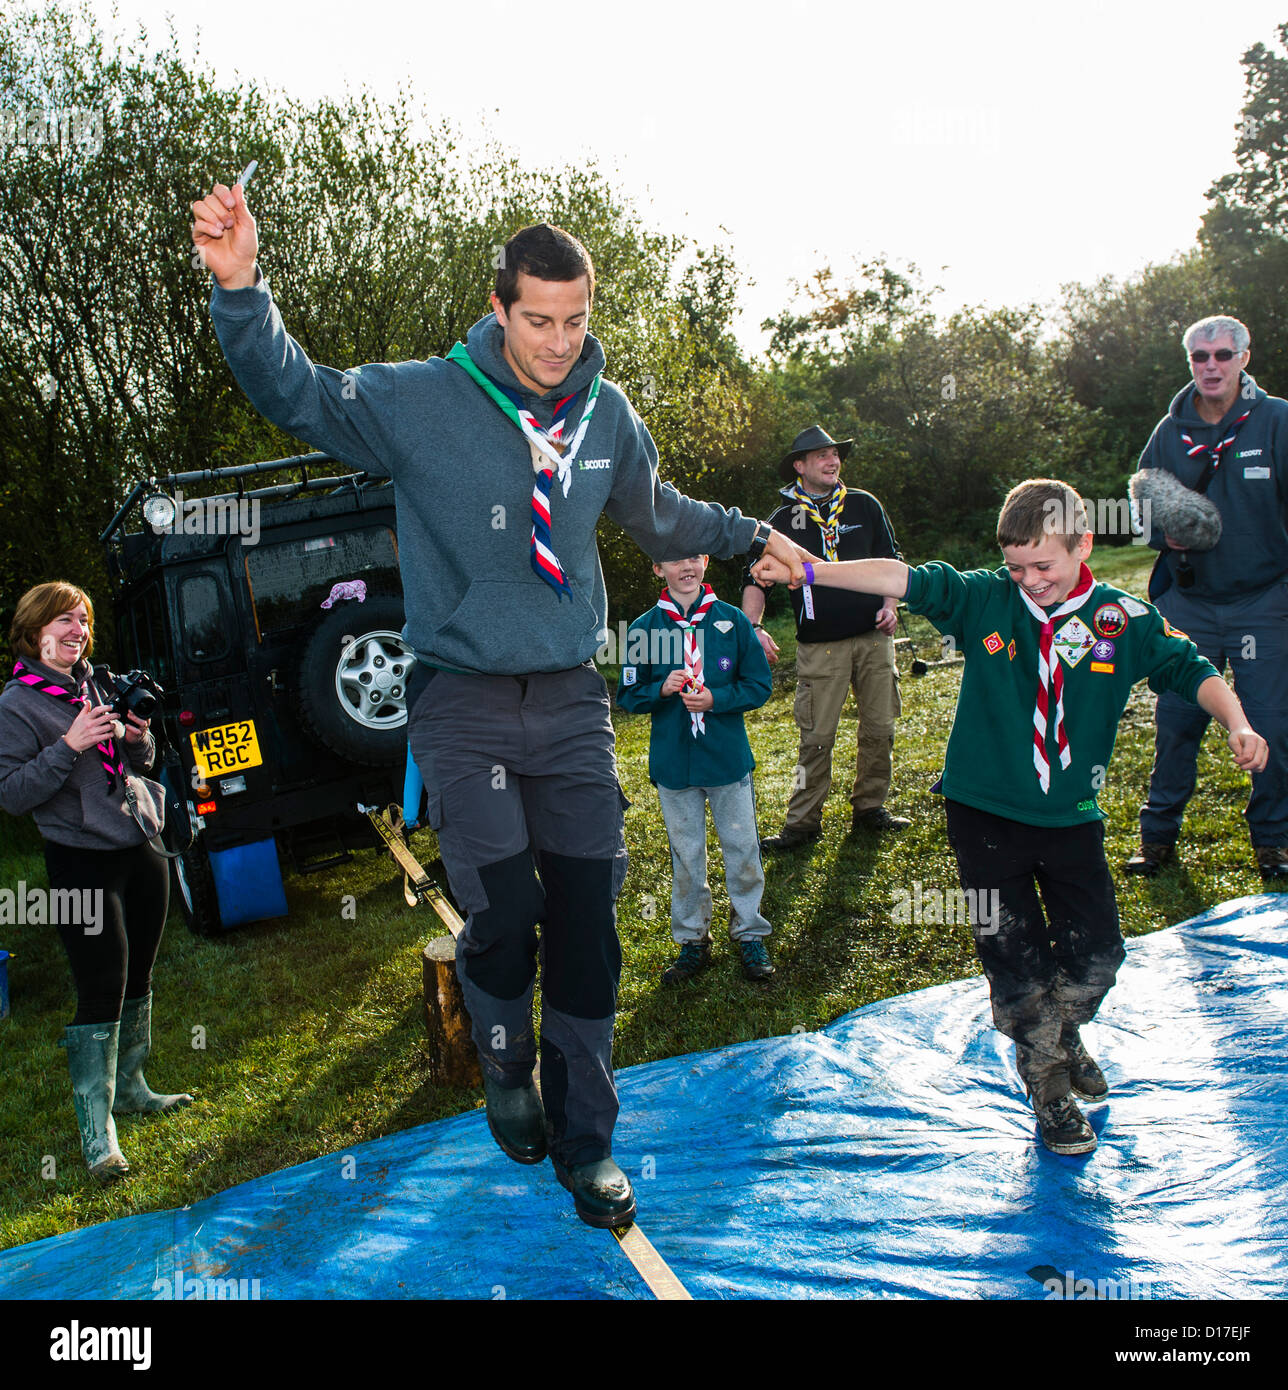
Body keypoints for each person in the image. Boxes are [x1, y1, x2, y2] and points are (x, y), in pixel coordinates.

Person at [191, 180, 810, 1228]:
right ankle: (502, 1059)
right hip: (462, 698)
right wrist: (244, 288)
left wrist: (750, 533)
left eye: (576, 320)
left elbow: (657, 515)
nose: (560, 341)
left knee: (585, 923)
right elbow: (300, 393)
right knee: (505, 913)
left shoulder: (607, 414)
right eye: (538, 319)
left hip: (568, 699)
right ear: (498, 306)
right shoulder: (423, 397)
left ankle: (588, 1142)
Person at [752, 479, 1267, 1155]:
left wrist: (1237, 720)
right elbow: (902, 577)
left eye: (1043, 566)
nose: (1029, 580)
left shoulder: (1123, 619)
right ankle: (1048, 1088)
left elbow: (1190, 667)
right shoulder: (988, 600)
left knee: (1099, 955)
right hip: (984, 815)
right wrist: (814, 569)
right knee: (1015, 959)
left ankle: (1061, 1029)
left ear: (1084, 544)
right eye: (1017, 566)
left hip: (1071, 817)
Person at [0, 582, 191, 1179]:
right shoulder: (15, 703)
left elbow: (140, 765)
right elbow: (11, 795)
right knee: (101, 983)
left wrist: (137, 739)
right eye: (63, 621)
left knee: (140, 972)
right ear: (35, 632)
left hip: (141, 842)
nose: (76, 631)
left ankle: (132, 1087)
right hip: (80, 858)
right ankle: (96, 1135)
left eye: (82, 621)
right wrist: (69, 744)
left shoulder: (97, 683)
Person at [1126, 315, 1288, 883]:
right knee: (1177, 722)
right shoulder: (1169, 431)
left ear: (1244, 358)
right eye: (1199, 357)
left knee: (1272, 726)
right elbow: (1140, 508)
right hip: (1189, 604)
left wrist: (1272, 562)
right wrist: (1161, 536)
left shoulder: (1279, 422)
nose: (1210, 366)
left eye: (1223, 355)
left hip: (1260, 603)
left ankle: (1272, 844)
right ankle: (1156, 841)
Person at [741, 425, 909, 851]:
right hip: (821, 646)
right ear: (799, 466)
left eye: (834, 454)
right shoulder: (782, 521)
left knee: (880, 728)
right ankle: (802, 824)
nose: (832, 461)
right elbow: (757, 581)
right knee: (816, 737)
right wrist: (754, 628)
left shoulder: (864, 506)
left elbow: (893, 563)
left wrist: (891, 605)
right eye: (821, 456)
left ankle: (870, 808)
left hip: (874, 638)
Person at [616, 553, 774, 984]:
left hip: (726, 759)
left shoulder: (733, 621)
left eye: (693, 558)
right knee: (687, 855)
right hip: (675, 763)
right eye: (673, 560)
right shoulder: (646, 629)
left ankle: (749, 933)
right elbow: (627, 694)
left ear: (705, 561)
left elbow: (759, 684)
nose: (685, 567)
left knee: (742, 850)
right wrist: (658, 689)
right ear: (657, 569)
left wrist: (716, 700)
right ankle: (692, 940)